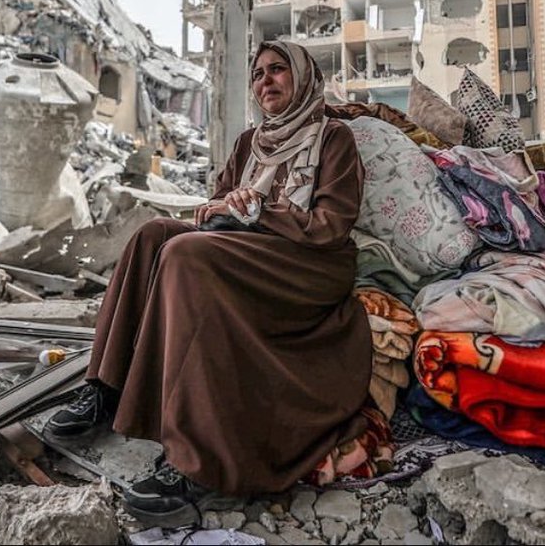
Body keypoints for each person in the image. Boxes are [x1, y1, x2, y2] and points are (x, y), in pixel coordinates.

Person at [47, 41, 371, 526]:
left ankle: (195, 459)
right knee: (153, 235)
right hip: (248, 251)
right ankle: (107, 386)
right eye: (258, 74)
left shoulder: (333, 138)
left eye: (278, 70)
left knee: (186, 254)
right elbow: (223, 203)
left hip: (307, 265)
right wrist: (222, 210)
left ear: (303, 78)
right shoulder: (250, 142)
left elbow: (331, 226)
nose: (266, 82)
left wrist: (258, 210)